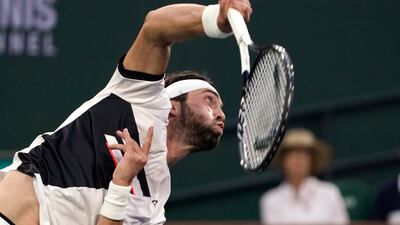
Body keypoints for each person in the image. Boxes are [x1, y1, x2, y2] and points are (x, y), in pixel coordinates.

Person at [0, 1, 253, 225]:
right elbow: (155, 27)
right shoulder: (140, 97)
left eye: (221, 107)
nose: (220, 113)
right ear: (173, 106)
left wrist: (121, 182)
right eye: (209, 100)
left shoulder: (155, 209)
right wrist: (214, 19)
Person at [259, 128, 349, 225]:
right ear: (283, 161)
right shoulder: (270, 201)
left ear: (312, 161)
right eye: (292, 154)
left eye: (304, 154)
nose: (298, 159)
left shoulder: (330, 193)